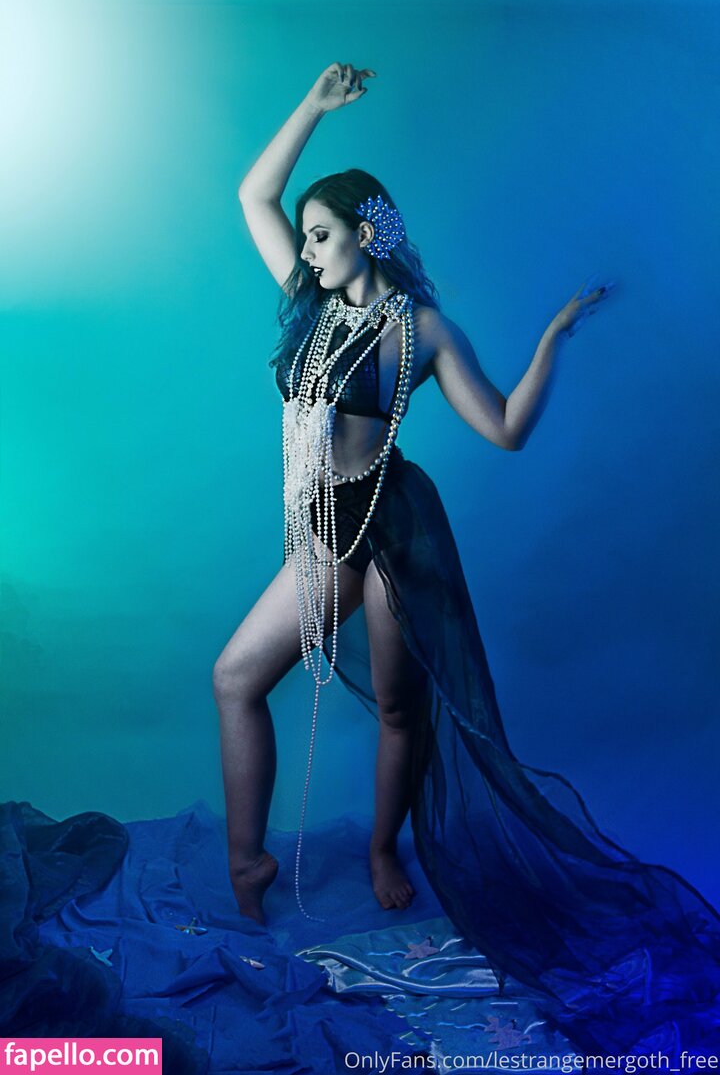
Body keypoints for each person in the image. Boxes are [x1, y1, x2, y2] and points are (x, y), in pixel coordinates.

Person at [213, 64, 720, 1056]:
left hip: (396, 528)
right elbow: (252, 196)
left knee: (404, 709)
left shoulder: (424, 331)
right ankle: (246, 866)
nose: (306, 250)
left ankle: (382, 848)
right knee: (236, 678)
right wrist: (314, 107)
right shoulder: (309, 301)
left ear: (367, 234)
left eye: (323, 234)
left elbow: (504, 430)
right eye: (305, 237)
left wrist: (553, 340)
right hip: (326, 528)